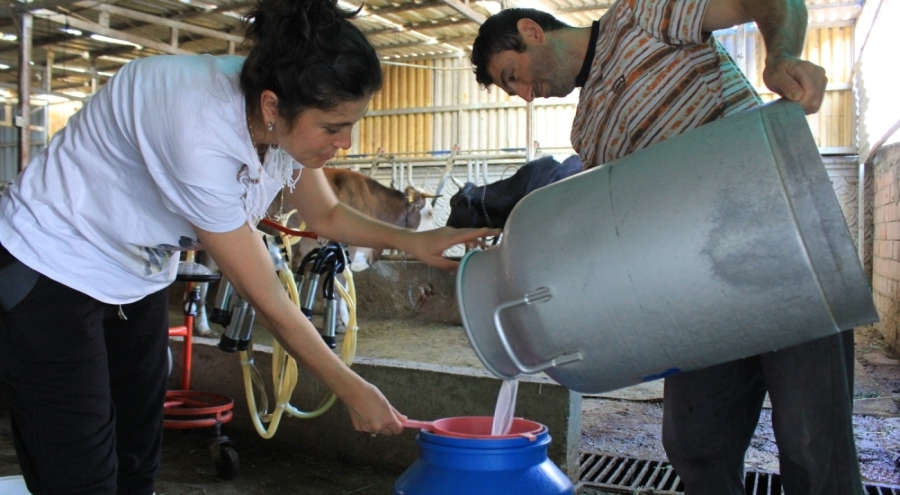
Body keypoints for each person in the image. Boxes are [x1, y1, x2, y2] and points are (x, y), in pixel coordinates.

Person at [0, 0, 496, 492]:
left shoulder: (282, 109)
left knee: (136, 453)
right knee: (78, 469)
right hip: (51, 264)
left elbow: (326, 214)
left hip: (133, 273)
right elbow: (268, 300)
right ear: (272, 107)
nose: (345, 142)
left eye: (351, 123)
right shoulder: (199, 130)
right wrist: (351, 387)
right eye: (332, 127)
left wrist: (415, 240)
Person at [469, 1, 862, 494]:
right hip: (695, 288)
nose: (526, 95)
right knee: (696, 446)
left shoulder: (639, 16)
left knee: (813, 448)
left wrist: (781, 55)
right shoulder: (586, 132)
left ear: (531, 31)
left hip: (783, 245)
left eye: (514, 76)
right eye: (513, 91)